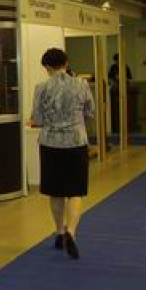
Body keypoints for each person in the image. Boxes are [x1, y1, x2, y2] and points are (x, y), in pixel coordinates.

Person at [30, 48, 94, 260]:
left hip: (51, 144)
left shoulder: (41, 88)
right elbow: (90, 111)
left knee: (55, 191)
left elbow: (37, 118)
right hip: (76, 142)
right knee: (75, 191)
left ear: (47, 66)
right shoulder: (81, 84)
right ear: (66, 63)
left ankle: (58, 231)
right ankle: (71, 232)